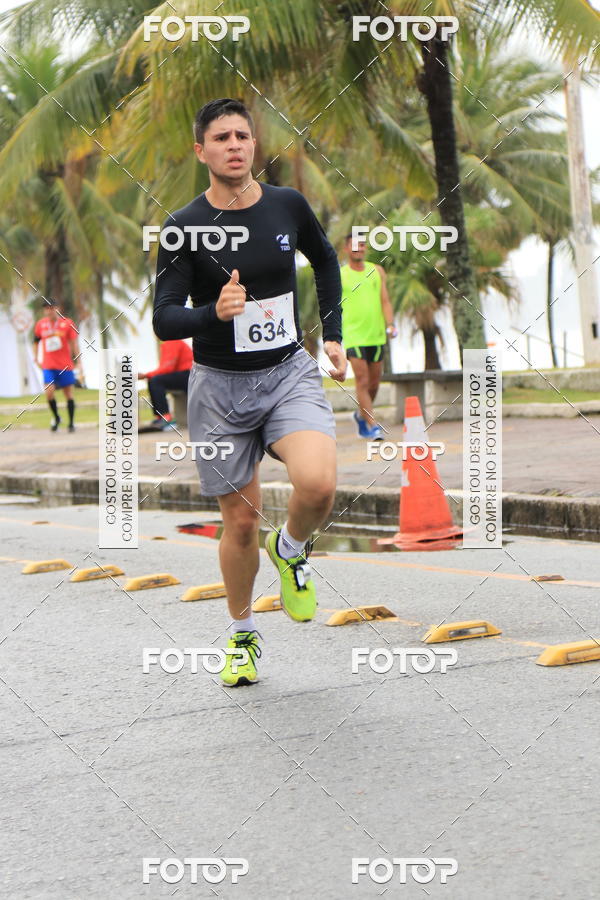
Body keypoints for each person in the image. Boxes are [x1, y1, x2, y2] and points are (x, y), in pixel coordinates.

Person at [152, 98, 346, 686]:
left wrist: (332, 336)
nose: (234, 145)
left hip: (288, 372)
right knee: (239, 524)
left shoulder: (287, 205)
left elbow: (328, 259)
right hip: (219, 389)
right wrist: (214, 311)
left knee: (318, 484)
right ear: (201, 151)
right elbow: (165, 318)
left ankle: (289, 548)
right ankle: (241, 636)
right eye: (221, 137)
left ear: (253, 146)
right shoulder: (184, 227)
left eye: (243, 136)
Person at [340, 234, 397, 440]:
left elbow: (385, 301)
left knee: (374, 384)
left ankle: (361, 415)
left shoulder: (376, 271)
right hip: (354, 335)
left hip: (377, 335)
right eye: (354, 246)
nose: (359, 249)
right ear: (346, 249)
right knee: (362, 380)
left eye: (362, 245)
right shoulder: (340, 275)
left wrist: (390, 324)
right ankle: (372, 425)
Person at [33, 299, 82, 433]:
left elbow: (74, 344)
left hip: (65, 365)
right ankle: (56, 417)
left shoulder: (67, 323)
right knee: (49, 392)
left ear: (57, 308)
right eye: (46, 308)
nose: (49, 310)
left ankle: (71, 423)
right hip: (48, 365)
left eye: (52, 307)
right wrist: (36, 358)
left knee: (69, 394)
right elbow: (36, 342)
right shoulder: (40, 325)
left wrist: (79, 361)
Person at [138, 338, 193, 430]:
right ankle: (161, 417)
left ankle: (166, 418)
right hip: (187, 376)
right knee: (154, 380)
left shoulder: (173, 341)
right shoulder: (171, 342)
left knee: (155, 381)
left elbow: (167, 368)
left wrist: (145, 375)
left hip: (189, 376)